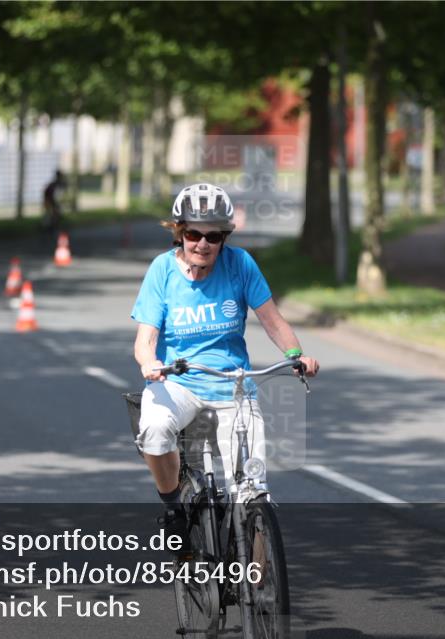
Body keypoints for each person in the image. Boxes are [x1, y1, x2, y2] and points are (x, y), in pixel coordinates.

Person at [130, 183, 320, 538]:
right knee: (153, 432)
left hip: (233, 386)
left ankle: (260, 584)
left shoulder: (240, 265)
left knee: (252, 493)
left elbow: (272, 320)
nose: (202, 244)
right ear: (179, 233)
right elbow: (146, 340)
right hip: (177, 382)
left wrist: (295, 355)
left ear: (224, 237)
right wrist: (150, 363)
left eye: (213, 236)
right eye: (193, 234)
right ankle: (173, 507)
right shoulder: (162, 271)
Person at [42, 169, 65, 237]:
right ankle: (49, 228)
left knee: (52, 214)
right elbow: (52, 193)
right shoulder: (56, 183)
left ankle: (50, 227)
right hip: (49, 199)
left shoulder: (55, 183)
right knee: (52, 214)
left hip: (49, 199)